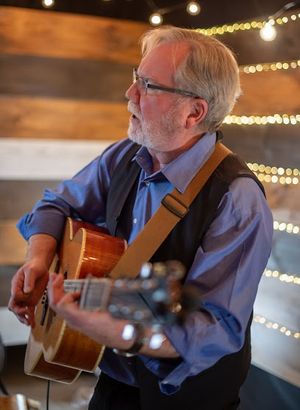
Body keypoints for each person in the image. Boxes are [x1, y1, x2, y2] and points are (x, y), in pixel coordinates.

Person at [9, 26, 273, 409]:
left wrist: (124, 333)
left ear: (194, 111)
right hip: (114, 383)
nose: (129, 94)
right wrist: (38, 260)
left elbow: (215, 330)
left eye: (148, 85)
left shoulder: (237, 200)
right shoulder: (125, 156)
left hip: (185, 398)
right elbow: (55, 205)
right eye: (136, 77)